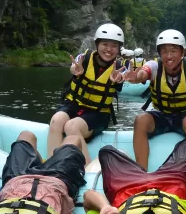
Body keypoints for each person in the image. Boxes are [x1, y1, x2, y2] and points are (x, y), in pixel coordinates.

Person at [125, 29, 186, 169]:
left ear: (183, 52)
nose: (169, 56)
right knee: (141, 120)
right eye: (164, 51)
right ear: (160, 53)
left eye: (173, 51)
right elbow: (144, 72)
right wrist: (137, 77)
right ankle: (141, 170)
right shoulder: (154, 65)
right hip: (161, 115)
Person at [48, 23, 128, 161]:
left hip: (98, 114)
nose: (109, 49)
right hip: (73, 105)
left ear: (119, 48)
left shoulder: (121, 66)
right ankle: (51, 161)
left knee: (71, 126)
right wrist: (74, 70)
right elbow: (74, 65)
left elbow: (123, 75)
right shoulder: (84, 58)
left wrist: (118, 77)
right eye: (105, 44)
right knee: (56, 120)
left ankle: (87, 168)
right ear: (97, 44)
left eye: (114, 46)